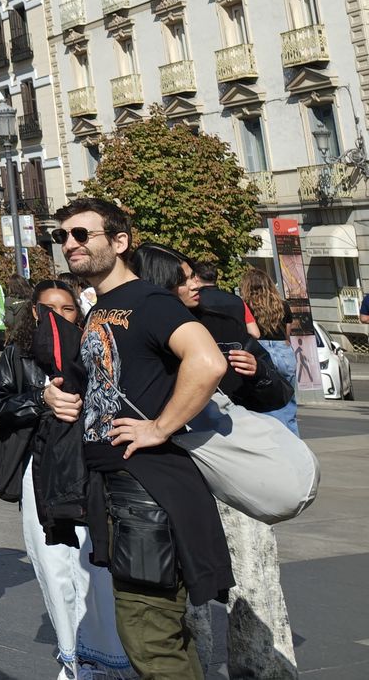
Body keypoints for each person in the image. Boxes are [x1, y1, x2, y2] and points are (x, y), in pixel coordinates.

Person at [43, 202, 231, 680]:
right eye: (62, 236)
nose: (70, 244)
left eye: (83, 234)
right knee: (163, 637)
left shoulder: (150, 301)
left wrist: (160, 427)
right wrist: (60, 396)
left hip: (147, 490)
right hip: (118, 489)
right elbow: (95, 384)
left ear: (120, 242)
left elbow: (207, 362)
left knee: (148, 636)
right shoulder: (99, 309)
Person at [133, 246, 297, 680]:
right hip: (173, 475)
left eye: (193, 276)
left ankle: (264, 671)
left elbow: (275, 394)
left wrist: (256, 372)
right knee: (188, 595)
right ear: (158, 284)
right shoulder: (136, 329)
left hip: (230, 471)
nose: (195, 285)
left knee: (256, 583)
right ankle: (197, 670)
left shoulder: (220, 320)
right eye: (184, 279)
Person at [0, 282, 134, 680]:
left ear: (78, 311)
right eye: (48, 307)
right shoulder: (19, 353)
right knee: (52, 565)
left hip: (89, 469)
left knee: (95, 566)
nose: (57, 314)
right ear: (34, 312)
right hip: (41, 470)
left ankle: (108, 659)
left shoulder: (95, 351)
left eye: (66, 308)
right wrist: (40, 399)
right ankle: (73, 658)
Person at [240, 268, 298, 434]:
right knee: (288, 400)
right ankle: (293, 441)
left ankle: (274, 439)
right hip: (283, 349)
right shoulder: (282, 305)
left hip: (261, 349)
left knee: (264, 400)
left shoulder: (245, 306)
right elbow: (287, 334)